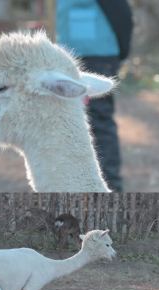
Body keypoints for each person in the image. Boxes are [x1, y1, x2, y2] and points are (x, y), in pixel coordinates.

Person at [56, 0, 133, 192]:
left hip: (99, 56)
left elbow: (122, 15)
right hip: (68, 57)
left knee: (99, 121)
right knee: (69, 122)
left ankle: (109, 185)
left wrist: (122, 51)